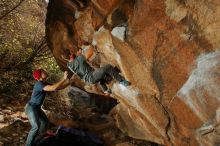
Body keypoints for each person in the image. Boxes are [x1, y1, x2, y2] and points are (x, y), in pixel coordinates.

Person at [25, 69, 70, 146]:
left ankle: (38, 138)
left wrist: (69, 82)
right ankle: (28, 144)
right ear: (40, 76)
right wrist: (64, 78)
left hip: (37, 108)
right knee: (36, 126)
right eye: (43, 71)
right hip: (31, 107)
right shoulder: (39, 84)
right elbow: (53, 88)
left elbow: (58, 87)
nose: (45, 71)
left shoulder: (43, 83)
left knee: (45, 123)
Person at [65, 48, 131, 95]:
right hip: (92, 76)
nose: (73, 52)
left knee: (100, 75)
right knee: (108, 67)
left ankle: (106, 90)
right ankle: (121, 81)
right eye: (71, 52)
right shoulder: (79, 59)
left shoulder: (69, 65)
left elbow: (75, 63)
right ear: (70, 56)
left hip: (88, 79)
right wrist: (80, 53)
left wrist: (78, 55)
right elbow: (90, 52)